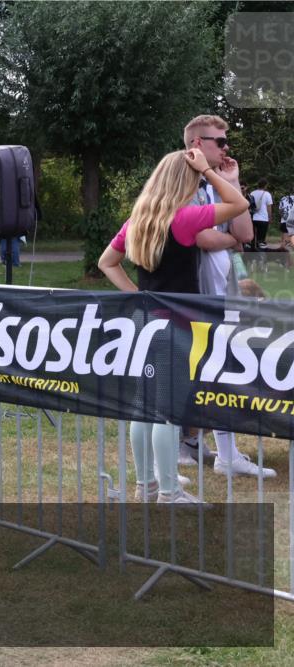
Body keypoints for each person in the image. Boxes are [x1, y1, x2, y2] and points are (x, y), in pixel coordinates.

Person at [97, 148, 250, 504]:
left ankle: (146, 484)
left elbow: (107, 262)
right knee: (167, 411)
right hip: (176, 326)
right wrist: (210, 173)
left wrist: (138, 295)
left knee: (143, 407)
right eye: (195, 180)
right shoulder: (184, 218)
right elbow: (239, 204)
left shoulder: (138, 220)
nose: (198, 185)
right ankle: (169, 492)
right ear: (185, 181)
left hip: (143, 322)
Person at [181, 115, 273, 478]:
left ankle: (225, 453)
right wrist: (231, 239)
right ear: (197, 144)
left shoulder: (220, 182)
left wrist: (231, 182)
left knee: (222, 371)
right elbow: (200, 238)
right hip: (195, 291)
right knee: (202, 371)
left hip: (226, 290)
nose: (226, 147)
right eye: (219, 142)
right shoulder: (183, 180)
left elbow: (246, 233)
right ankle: (191, 445)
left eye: (226, 141)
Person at [249, 178, 273, 248]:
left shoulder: (252, 193)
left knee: (252, 238)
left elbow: (249, 205)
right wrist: (270, 217)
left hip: (253, 218)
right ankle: (261, 254)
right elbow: (269, 207)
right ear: (265, 185)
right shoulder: (267, 194)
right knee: (261, 239)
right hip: (263, 219)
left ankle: (252, 253)